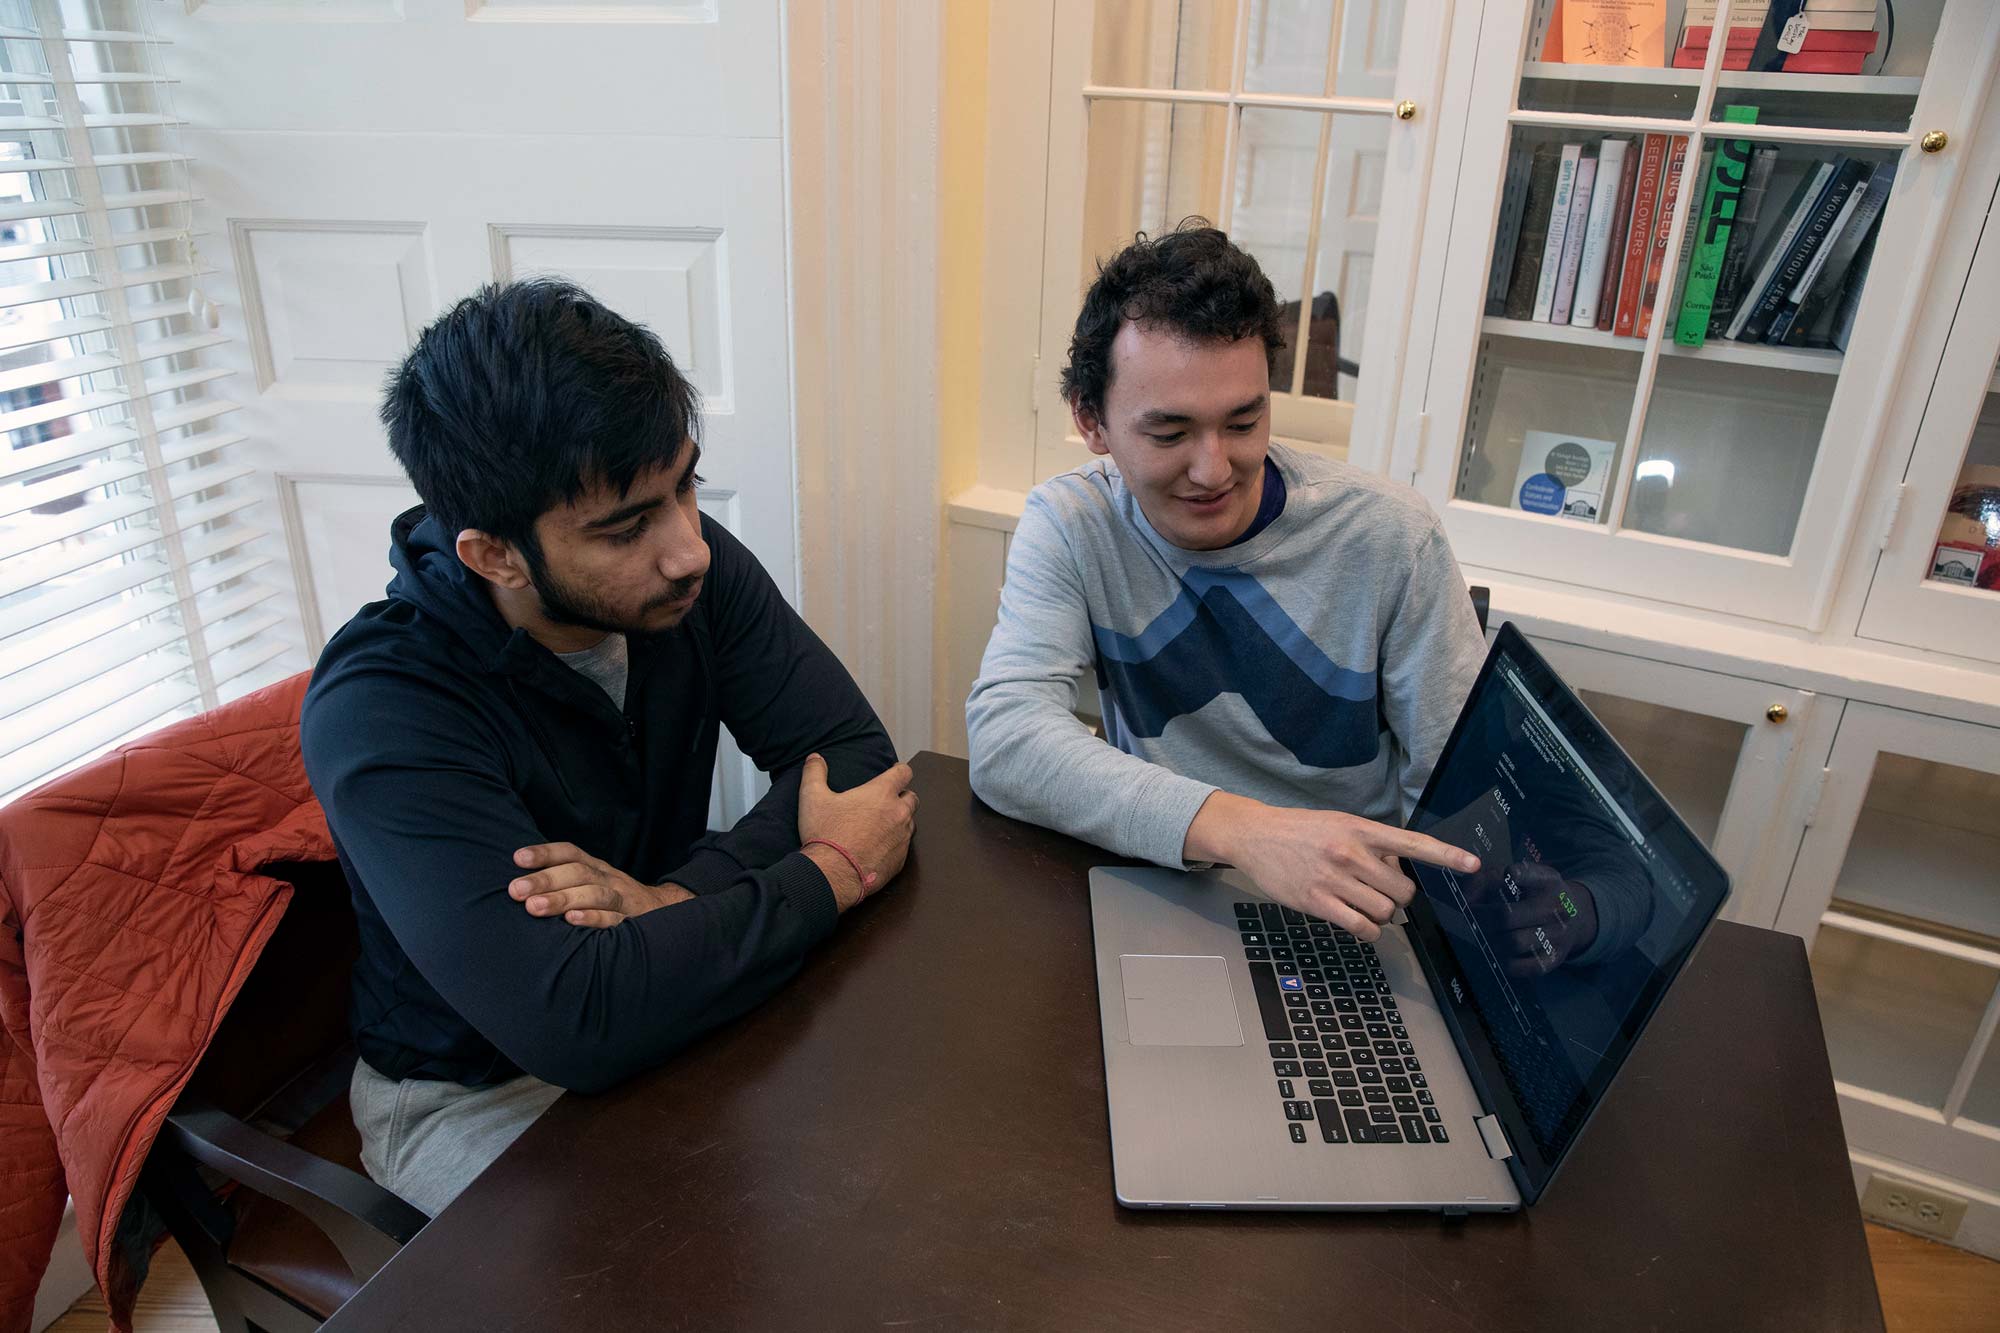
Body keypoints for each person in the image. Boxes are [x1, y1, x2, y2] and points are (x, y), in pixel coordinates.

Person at [302, 279, 915, 1215]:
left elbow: (857, 762)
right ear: (493, 555)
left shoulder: (683, 577)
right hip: (473, 1094)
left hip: (672, 990)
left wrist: (673, 901)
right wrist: (829, 867)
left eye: (685, 486)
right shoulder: (383, 708)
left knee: (877, 1181)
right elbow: (576, 1019)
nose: (688, 548)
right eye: (627, 524)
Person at [966, 223, 1486, 939]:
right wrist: (1245, 832)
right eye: (1171, 434)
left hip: (1343, 918)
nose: (1214, 470)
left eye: (1244, 422)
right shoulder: (1071, 522)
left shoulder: (1391, 538)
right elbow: (1006, 738)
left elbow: (1462, 802)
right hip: (1158, 892)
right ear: (1093, 424)